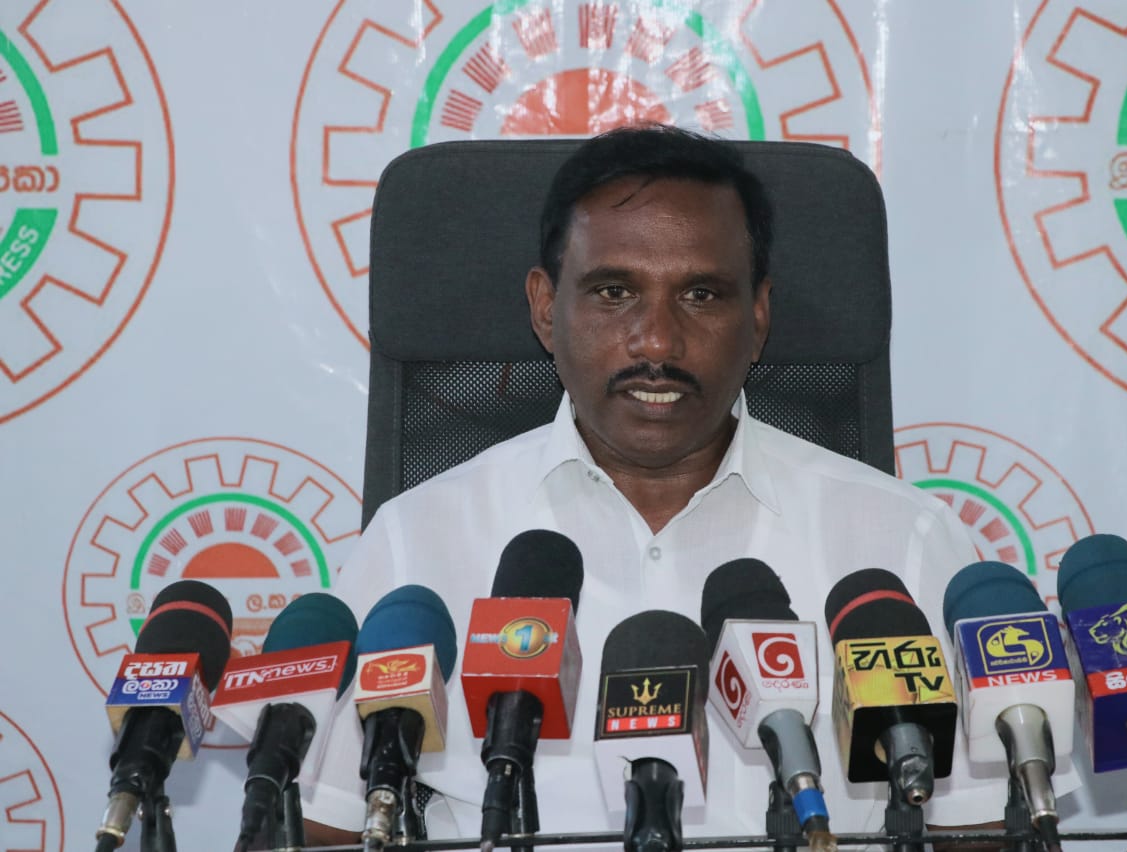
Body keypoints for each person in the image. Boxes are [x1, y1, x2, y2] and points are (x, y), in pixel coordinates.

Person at [304, 125, 1047, 844]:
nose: (657, 340)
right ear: (545, 308)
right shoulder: (417, 542)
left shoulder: (903, 544)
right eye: (613, 291)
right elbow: (323, 823)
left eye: (701, 296)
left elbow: (976, 827)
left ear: (758, 317)